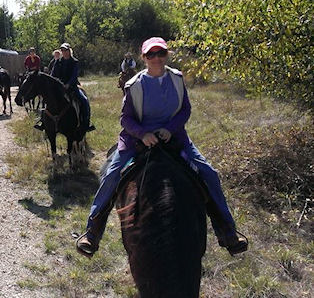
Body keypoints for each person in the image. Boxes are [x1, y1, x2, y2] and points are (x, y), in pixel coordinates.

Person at [76, 37, 248, 257]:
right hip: (136, 140)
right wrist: (143, 134)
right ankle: (93, 231)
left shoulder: (177, 78)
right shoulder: (134, 85)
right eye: (151, 54)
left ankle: (227, 229)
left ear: (167, 55)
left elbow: (185, 109)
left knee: (208, 173)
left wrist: (170, 128)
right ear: (144, 58)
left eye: (161, 53)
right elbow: (126, 119)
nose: (156, 58)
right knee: (112, 175)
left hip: (174, 137)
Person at [50, 42, 95, 133]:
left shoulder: (75, 62)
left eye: (66, 50)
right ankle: (43, 122)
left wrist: (68, 84)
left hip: (72, 88)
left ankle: (86, 124)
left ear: (69, 51)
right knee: (48, 101)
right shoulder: (58, 62)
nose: (64, 52)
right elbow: (53, 75)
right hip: (59, 89)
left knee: (84, 101)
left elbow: (74, 76)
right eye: (62, 50)